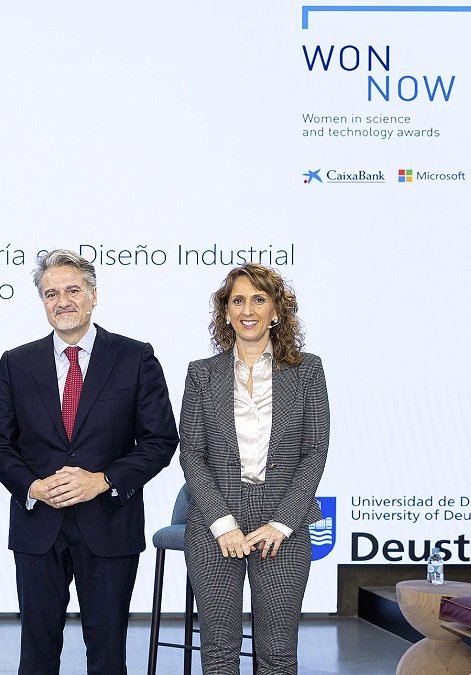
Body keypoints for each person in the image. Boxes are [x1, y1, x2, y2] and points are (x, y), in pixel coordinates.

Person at [0, 249, 179, 675]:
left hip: (109, 523)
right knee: (36, 655)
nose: (63, 301)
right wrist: (32, 487)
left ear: (93, 295)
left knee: (108, 655)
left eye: (73, 290)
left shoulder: (135, 357)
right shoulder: (16, 363)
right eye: (51, 293)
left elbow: (160, 439)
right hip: (38, 527)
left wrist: (103, 480)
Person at [179, 263, 329, 675]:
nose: (248, 309)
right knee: (219, 651)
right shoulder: (201, 374)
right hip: (215, 525)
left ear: (276, 311)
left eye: (259, 300)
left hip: (282, 525)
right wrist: (221, 523)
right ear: (225, 312)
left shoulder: (307, 370)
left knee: (278, 653)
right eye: (238, 300)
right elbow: (191, 452)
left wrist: (282, 523)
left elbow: (315, 451)